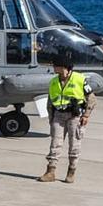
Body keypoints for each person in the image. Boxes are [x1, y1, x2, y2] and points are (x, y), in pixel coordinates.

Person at [40, 52, 92, 184]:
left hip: (75, 116)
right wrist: (51, 118)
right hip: (58, 115)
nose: (53, 68)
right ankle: (50, 171)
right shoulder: (53, 82)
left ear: (64, 67)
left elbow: (91, 98)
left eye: (56, 66)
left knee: (74, 144)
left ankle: (71, 171)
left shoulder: (79, 79)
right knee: (55, 143)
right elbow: (50, 102)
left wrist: (86, 115)